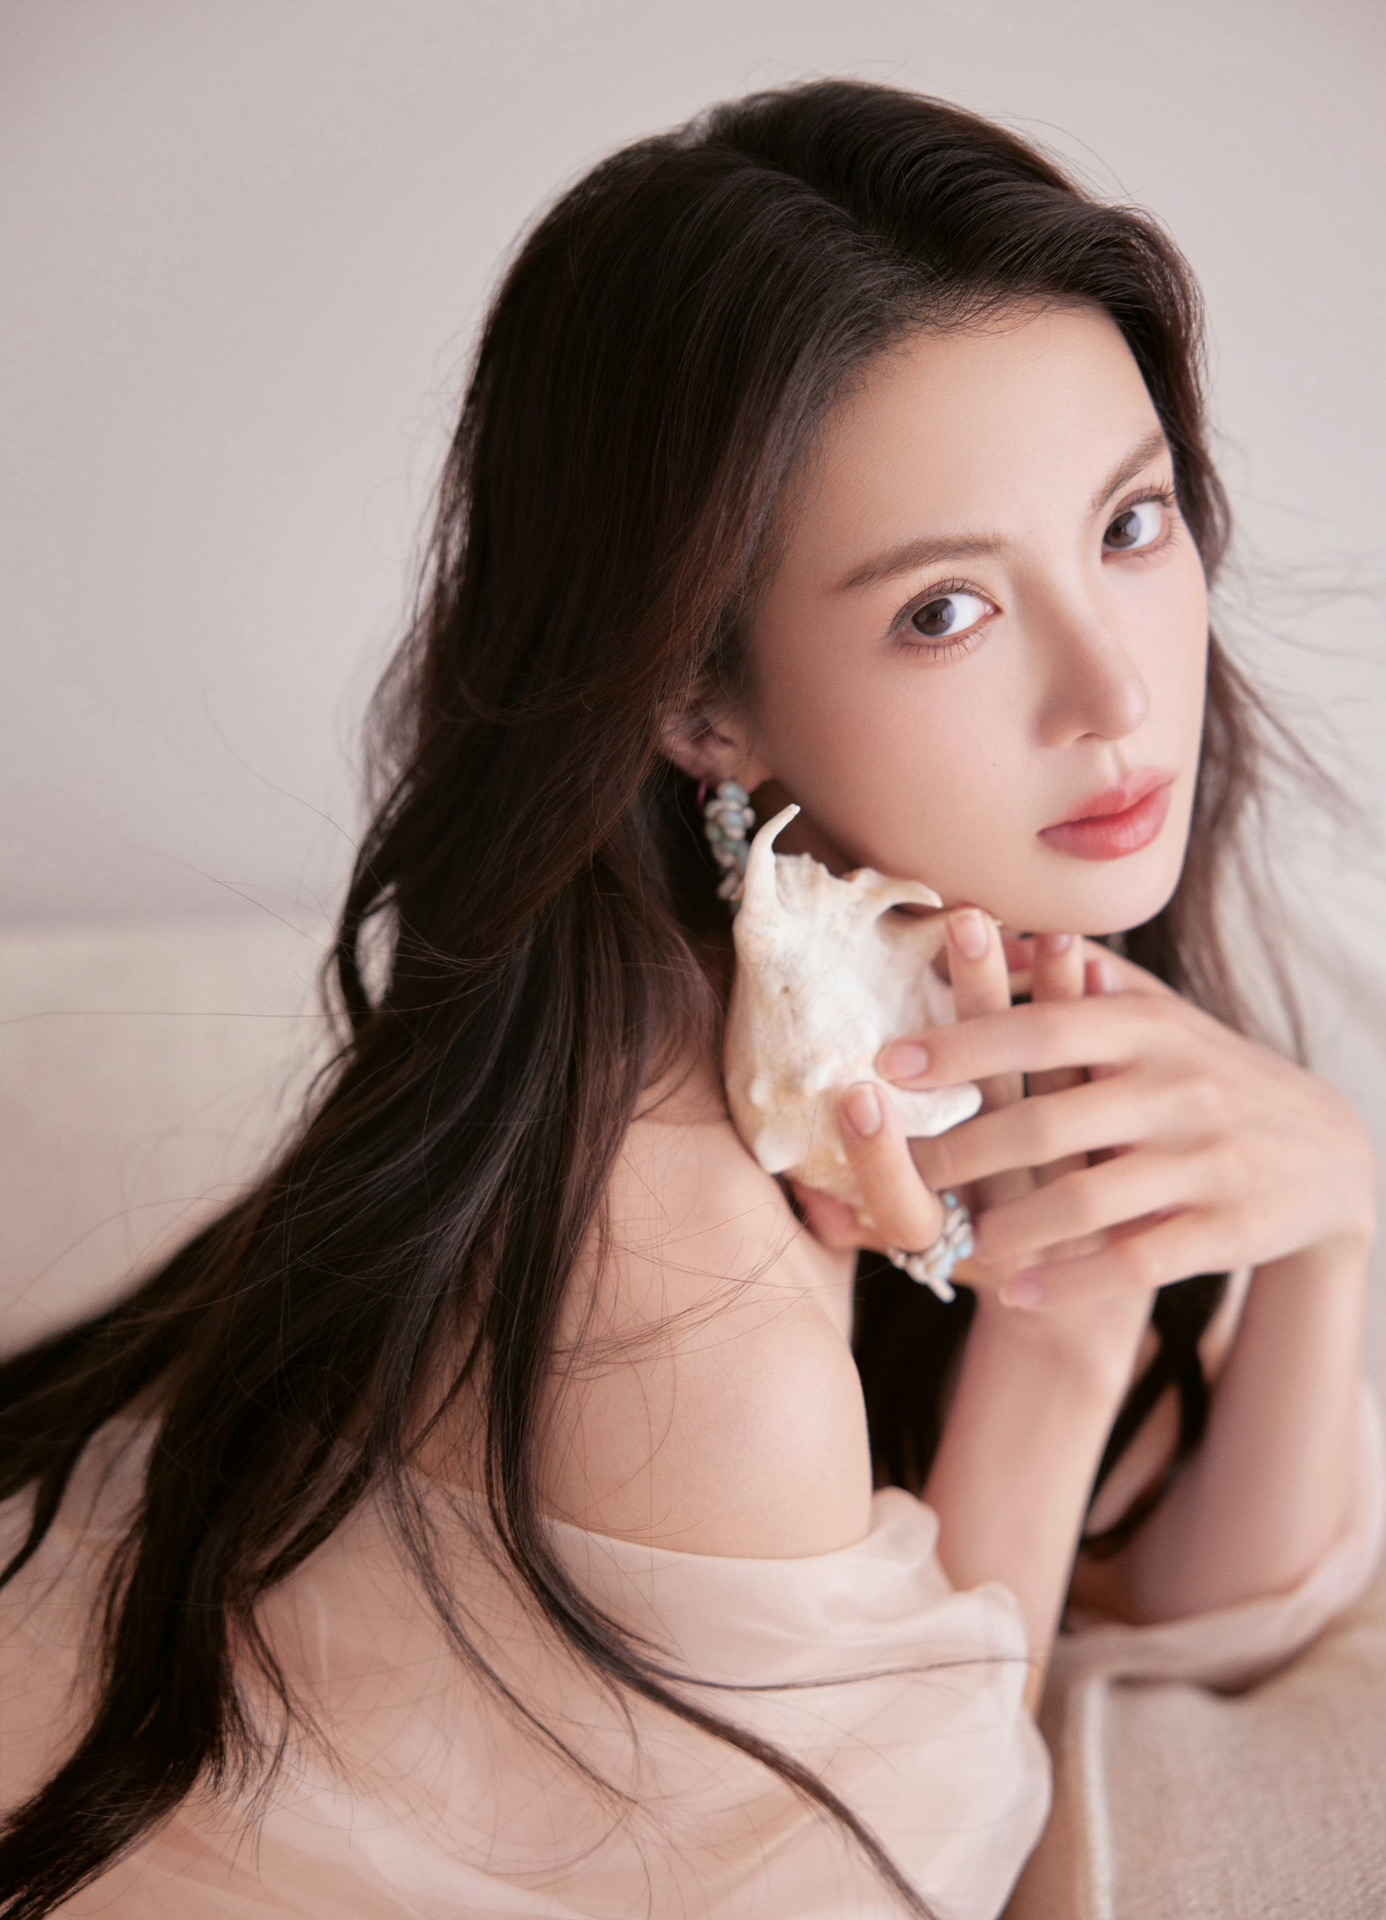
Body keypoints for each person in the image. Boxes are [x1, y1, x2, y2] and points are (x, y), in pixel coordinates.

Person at [0, 80, 1379, 1920]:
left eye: (1130, 526)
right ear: (698, 707)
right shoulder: (675, 1264)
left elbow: (1207, 1612)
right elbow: (887, 1876)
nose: (1114, 694)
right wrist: (1051, 1351)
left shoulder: (944, 976)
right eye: (943, 612)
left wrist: (1326, 1219)